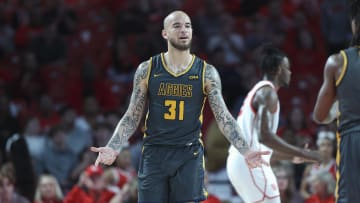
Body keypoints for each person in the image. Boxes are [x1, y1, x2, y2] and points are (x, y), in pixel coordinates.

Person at [91, 10, 269, 203]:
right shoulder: (147, 69)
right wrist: (113, 146)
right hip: (155, 152)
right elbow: (132, 115)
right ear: (165, 33)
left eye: (188, 26)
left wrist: (246, 150)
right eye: (177, 26)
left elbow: (223, 117)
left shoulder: (206, 72)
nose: (184, 30)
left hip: (188, 154)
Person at [226, 45, 321, 203]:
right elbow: (265, 137)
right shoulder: (268, 93)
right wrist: (302, 152)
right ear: (278, 70)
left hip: (243, 162)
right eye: (287, 68)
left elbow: (263, 148)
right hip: (247, 163)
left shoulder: (259, 91)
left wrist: (293, 156)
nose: (290, 72)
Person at [313, 1, 360, 202]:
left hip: (353, 140)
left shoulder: (337, 62)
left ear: (354, 24)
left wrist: (339, 106)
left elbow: (320, 115)